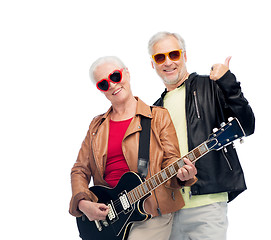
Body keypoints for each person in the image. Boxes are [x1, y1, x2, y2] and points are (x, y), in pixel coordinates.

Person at [69, 56, 197, 240]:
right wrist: (82, 203)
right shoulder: (96, 126)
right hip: (108, 217)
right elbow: (80, 169)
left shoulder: (157, 117)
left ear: (127, 73)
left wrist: (184, 175)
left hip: (150, 211)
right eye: (103, 84)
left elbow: (171, 161)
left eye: (115, 76)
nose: (112, 85)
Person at [148, 32, 255, 240]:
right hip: (169, 211)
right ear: (153, 64)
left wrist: (228, 81)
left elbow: (247, 125)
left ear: (184, 56)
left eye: (174, 54)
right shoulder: (154, 110)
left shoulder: (211, 86)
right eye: (160, 57)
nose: (168, 62)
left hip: (207, 205)